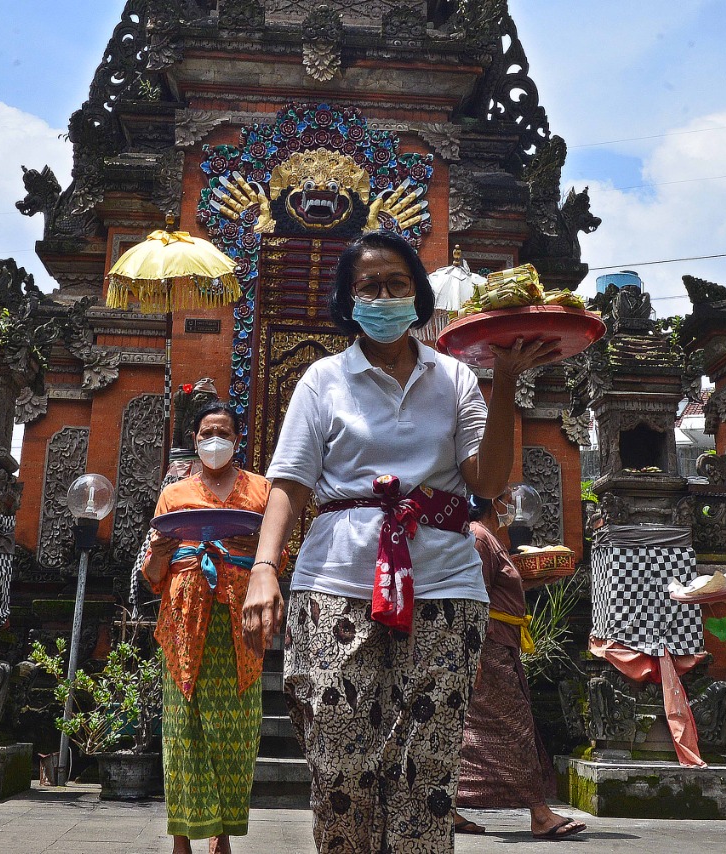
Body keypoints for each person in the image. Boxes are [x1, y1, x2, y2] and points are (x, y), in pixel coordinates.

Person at [241, 229, 556, 853]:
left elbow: (486, 482)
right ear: (347, 300)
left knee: (428, 770)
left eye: (396, 284)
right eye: (368, 287)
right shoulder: (321, 381)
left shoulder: (458, 379)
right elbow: (289, 486)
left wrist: (506, 386)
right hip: (334, 583)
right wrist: (263, 570)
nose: (382, 296)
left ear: (417, 294)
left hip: (445, 584)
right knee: (339, 765)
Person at [142, 401, 273, 854]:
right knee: (183, 729)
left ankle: (222, 835)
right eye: (204, 433)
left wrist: (259, 546)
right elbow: (154, 573)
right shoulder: (174, 494)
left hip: (242, 622)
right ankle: (181, 837)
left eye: (222, 432)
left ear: (237, 440)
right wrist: (160, 551)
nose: (213, 440)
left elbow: (279, 559)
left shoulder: (262, 490)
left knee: (236, 730)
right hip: (183, 622)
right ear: (194, 440)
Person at [451, 494, 586, 840]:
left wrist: (534, 580)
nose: (512, 506)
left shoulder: (489, 537)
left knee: (473, 732)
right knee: (516, 730)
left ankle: (446, 805)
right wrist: (475, 651)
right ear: (491, 502)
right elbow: (474, 595)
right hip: (489, 647)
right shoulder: (479, 537)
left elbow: (497, 589)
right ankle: (540, 815)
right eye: (506, 500)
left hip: (501, 644)